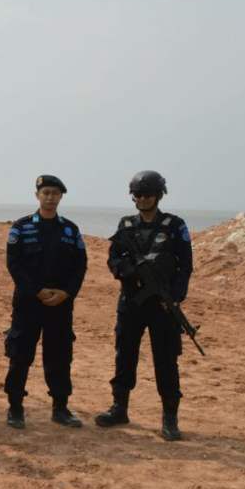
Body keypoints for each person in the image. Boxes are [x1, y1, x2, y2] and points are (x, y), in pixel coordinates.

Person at [96, 170, 193, 441]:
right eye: (137, 195)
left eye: (147, 194)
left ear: (159, 195)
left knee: (166, 360)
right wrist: (128, 271)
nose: (142, 199)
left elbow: (185, 266)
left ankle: (170, 417)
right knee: (124, 354)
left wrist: (175, 297)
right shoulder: (126, 225)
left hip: (162, 304)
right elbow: (114, 259)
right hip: (132, 301)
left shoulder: (175, 225)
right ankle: (119, 407)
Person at [3, 175, 87, 430]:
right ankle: (15, 407)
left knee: (59, 356)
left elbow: (80, 266)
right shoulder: (21, 227)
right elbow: (14, 265)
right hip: (29, 304)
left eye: (55, 193)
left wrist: (67, 293)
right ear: (37, 195)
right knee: (20, 355)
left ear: (61, 197)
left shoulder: (70, 230)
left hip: (60, 306)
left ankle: (60, 407)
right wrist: (37, 291)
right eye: (46, 192)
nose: (50, 197)